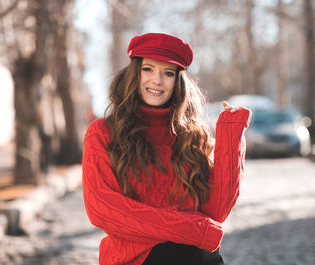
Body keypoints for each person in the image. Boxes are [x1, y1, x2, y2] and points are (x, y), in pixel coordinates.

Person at [82, 32, 251, 265]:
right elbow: (102, 208)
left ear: (178, 81)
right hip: (134, 260)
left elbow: (216, 211)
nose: (157, 81)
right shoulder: (103, 132)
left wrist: (232, 134)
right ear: (134, 73)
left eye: (168, 73)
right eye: (148, 69)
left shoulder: (192, 138)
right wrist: (189, 229)